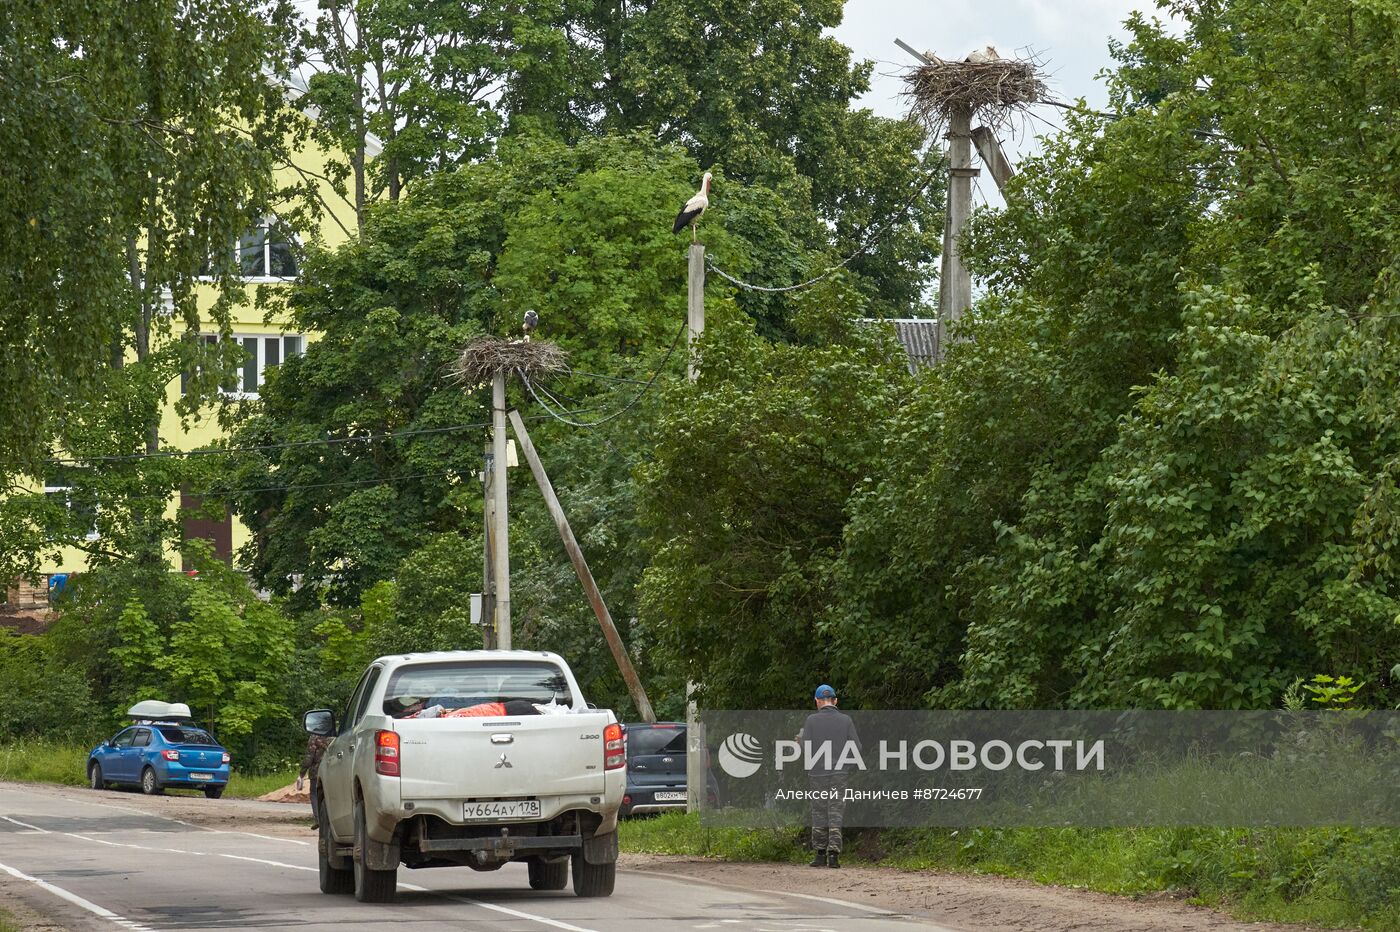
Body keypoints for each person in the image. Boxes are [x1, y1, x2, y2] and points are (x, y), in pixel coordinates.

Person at [799, 684, 860, 868]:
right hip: (839, 772)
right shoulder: (846, 720)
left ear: (817, 701)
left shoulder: (811, 720)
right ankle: (833, 856)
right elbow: (858, 748)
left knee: (819, 810)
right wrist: (845, 763)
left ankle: (819, 855)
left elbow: (806, 749)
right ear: (835, 701)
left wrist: (800, 742)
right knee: (835, 811)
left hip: (817, 772)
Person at [298, 733, 331, 819]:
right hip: (332, 769)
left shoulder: (315, 737)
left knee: (314, 793)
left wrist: (302, 773)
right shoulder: (336, 735)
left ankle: (318, 818)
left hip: (316, 770)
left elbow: (309, 757)